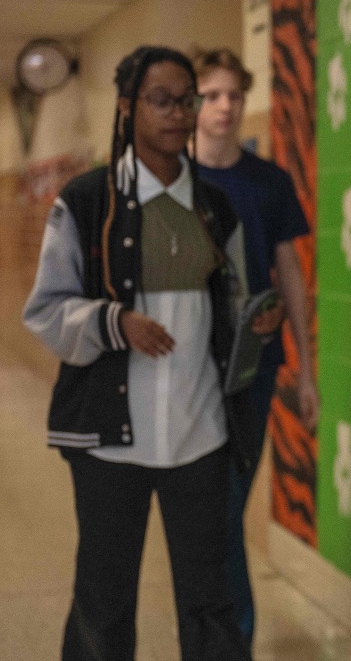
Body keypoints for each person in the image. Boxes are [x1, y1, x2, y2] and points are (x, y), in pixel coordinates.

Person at [23, 45, 253, 660]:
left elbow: (232, 309)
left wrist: (256, 325)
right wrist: (114, 321)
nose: (179, 113)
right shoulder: (88, 201)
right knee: (104, 600)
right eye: (162, 100)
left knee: (210, 602)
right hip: (109, 443)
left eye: (188, 100)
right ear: (129, 108)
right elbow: (44, 311)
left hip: (199, 437)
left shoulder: (214, 207)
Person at [191, 46, 318, 641]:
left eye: (234, 96)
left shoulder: (267, 181)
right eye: (211, 95)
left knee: (222, 511)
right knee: (205, 518)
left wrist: (308, 371)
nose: (224, 106)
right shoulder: (169, 178)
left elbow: (290, 272)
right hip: (183, 372)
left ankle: (231, 639)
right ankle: (219, 636)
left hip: (252, 369)